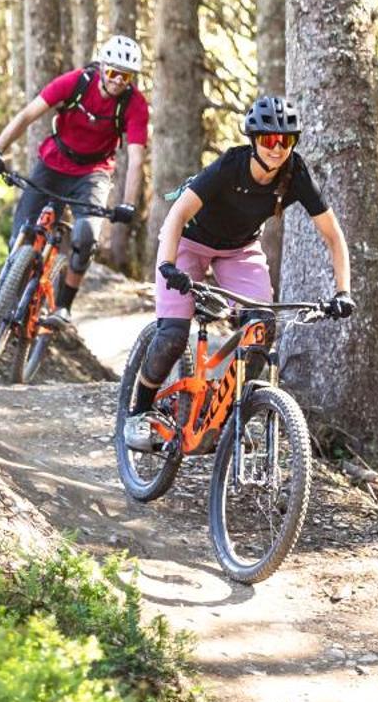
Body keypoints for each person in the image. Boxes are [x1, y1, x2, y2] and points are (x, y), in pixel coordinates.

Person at [123, 94, 356, 451]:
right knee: (172, 334)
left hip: (239, 250)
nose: (277, 148)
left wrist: (343, 292)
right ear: (253, 140)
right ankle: (138, 411)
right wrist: (169, 264)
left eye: (285, 140)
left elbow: (333, 236)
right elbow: (176, 216)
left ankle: (229, 416)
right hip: (188, 242)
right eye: (268, 139)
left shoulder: (296, 174)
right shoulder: (230, 166)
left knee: (261, 328)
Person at [0, 34, 149, 327]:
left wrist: (128, 204)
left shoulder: (134, 105)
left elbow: (136, 158)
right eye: (112, 73)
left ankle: (63, 307)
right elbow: (27, 115)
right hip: (53, 163)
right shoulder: (75, 83)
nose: (117, 82)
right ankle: (8, 298)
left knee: (86, 236)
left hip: (93, 173)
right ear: (101, 68)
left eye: (126, 77)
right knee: (22, 232)